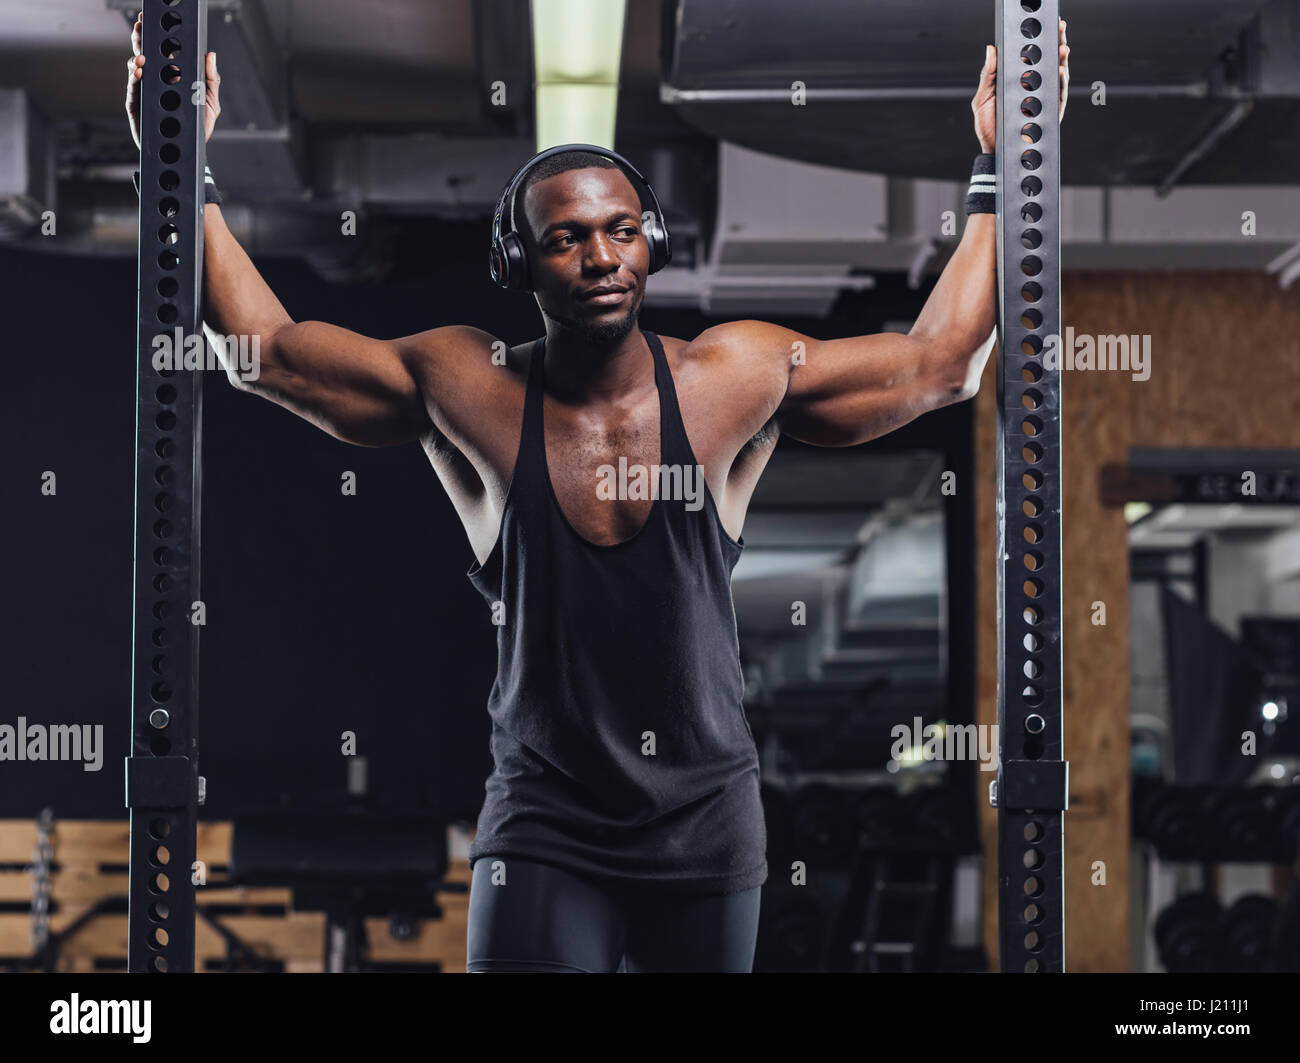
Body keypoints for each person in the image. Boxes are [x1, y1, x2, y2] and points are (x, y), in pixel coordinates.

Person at [126, 13, 1070, 972]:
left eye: (622, 231)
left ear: (652, 243)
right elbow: (265, 356)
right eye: (568, 239)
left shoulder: (731, 376)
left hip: (707, 822)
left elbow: (942, 365)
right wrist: (179, 162)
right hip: (544, 821)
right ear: (521, 264)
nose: (601, 257)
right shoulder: (469, 383)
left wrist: (1010, 161)